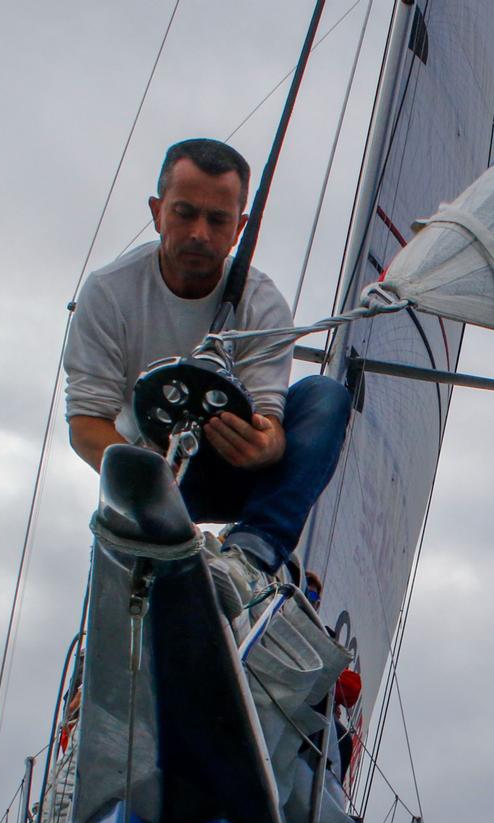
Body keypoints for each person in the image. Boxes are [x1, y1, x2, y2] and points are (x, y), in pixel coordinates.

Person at [63, 137, 350, 577]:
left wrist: (265, 445)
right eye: (184, 213)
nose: (199, 233)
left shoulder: (264, 304)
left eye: (218, 220)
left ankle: (252, 556)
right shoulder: (108, 293)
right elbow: (86, 424)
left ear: (240, 228)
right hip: (154, 475)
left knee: (324, 395)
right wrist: (148, 486)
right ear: (157, 212)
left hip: (240, 472)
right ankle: (152, 558)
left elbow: (270, 419)